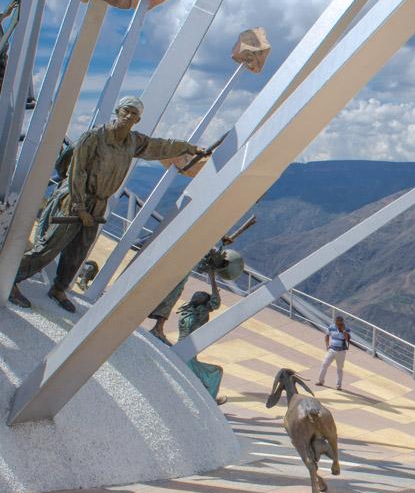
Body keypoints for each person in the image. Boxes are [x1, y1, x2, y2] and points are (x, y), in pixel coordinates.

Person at [8, 96, 204, 311]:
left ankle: (59, 289)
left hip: (98, 203)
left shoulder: (132, 142)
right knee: (49, 246)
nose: (129, 116)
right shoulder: (93, 137)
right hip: (75, 198)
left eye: (134, 114)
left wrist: (188, 148)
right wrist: (80, 207)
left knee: (79, 251)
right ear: (118, 111)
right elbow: (76, 171)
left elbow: (159, 146)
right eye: (126, 111)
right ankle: (10, 279)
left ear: (137, 120)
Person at [148, 244, 242, 345]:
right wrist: (211, 274)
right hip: (182, 261)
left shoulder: (195, 308)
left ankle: (158, 327)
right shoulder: (199, 309)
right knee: (174, 291)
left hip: (184, 260)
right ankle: (158, 328)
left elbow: (201, 268)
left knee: (175, 291)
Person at [177, 276, 227, 405]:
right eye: (206, 304)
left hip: (185, 353)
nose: (208, 308)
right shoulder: (193, 316)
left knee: (205, 376)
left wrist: (212, 278)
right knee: (216, 372)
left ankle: (207, 398)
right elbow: (214, 303)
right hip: (187, 358)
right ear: (201, 305)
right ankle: (209, 401)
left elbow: (215, 302)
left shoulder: (187, 310)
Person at [316, 315, 351, 390]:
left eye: (340, 323)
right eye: (338, 323)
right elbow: (327, 336)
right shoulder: (331, 327)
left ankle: (338, 385)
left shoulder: (346, 328)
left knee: (339, 369)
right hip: (331, 350)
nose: (339, 325)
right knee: (324, 364)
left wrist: (343, 330)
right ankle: (321, 381)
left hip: (341, 351)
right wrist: (327, 346)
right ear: (335, 322)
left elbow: (347, 339)